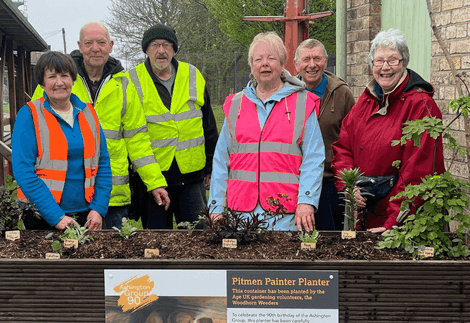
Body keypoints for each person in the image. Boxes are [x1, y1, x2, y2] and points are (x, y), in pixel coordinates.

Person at [32, 22, 170, 229]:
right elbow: (35, 132)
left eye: (101, 42)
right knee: (67, 257)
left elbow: (138, 140)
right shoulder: (59, 82)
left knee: (111, 258)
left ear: (111, 45)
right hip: (66, 194)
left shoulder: (124, 86)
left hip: (111, 197)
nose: (95, 48)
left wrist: (155, 182)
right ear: (79, 45)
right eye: (88, 43)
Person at [332, 28, 445, 234]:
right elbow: (343, 148)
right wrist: (349, 187)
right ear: (371, 65)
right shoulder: (366, 101)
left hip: (399, 223)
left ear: (404, 63)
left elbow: (418, 173)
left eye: (393, 60)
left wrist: (394, 222)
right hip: (365, 214)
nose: (385, 67)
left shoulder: (420, 105)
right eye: (379, 61)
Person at [208, 31, 325, 231]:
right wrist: (216, 206)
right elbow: (221, 160)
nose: (265, 64)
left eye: (271, 58)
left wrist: (307, 201)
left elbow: (313, 158)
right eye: (258, 59)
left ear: (282, 64)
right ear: (251, 66)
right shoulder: (235, 104)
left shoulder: (303, 103)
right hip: (240, 214)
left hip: (285, 215)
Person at [127, 24, 219, 229]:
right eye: (155, 45)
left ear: (174, 49)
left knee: (199, 236)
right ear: (146, 50)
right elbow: (129, 134)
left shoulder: (192, 74)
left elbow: (208, 124)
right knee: (157, 240)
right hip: (152, 178)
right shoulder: (131, 81)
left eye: (167, 45)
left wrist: (210, 166)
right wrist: (132, 179)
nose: (161, 50)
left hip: (192, 176)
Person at [13, 51, 112, 230]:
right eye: (52, 77)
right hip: (42, 216)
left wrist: (98, 208)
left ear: (73, 80)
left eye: (64, 76)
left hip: (87, 215)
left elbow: (103, 162)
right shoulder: (29, 114)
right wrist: (55, 216)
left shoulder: (88, 112)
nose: (59, 82)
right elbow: (23, 171)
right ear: (42, 82)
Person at [294, 39, 355, 230]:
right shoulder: (287, 94)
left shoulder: (342, 94)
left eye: (317, 59)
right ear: (297, 65)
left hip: (330, 183)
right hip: (295, 182)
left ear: (326, 62)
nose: (312, 65)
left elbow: (353, 139)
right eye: (306, 60)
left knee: (329, 242)